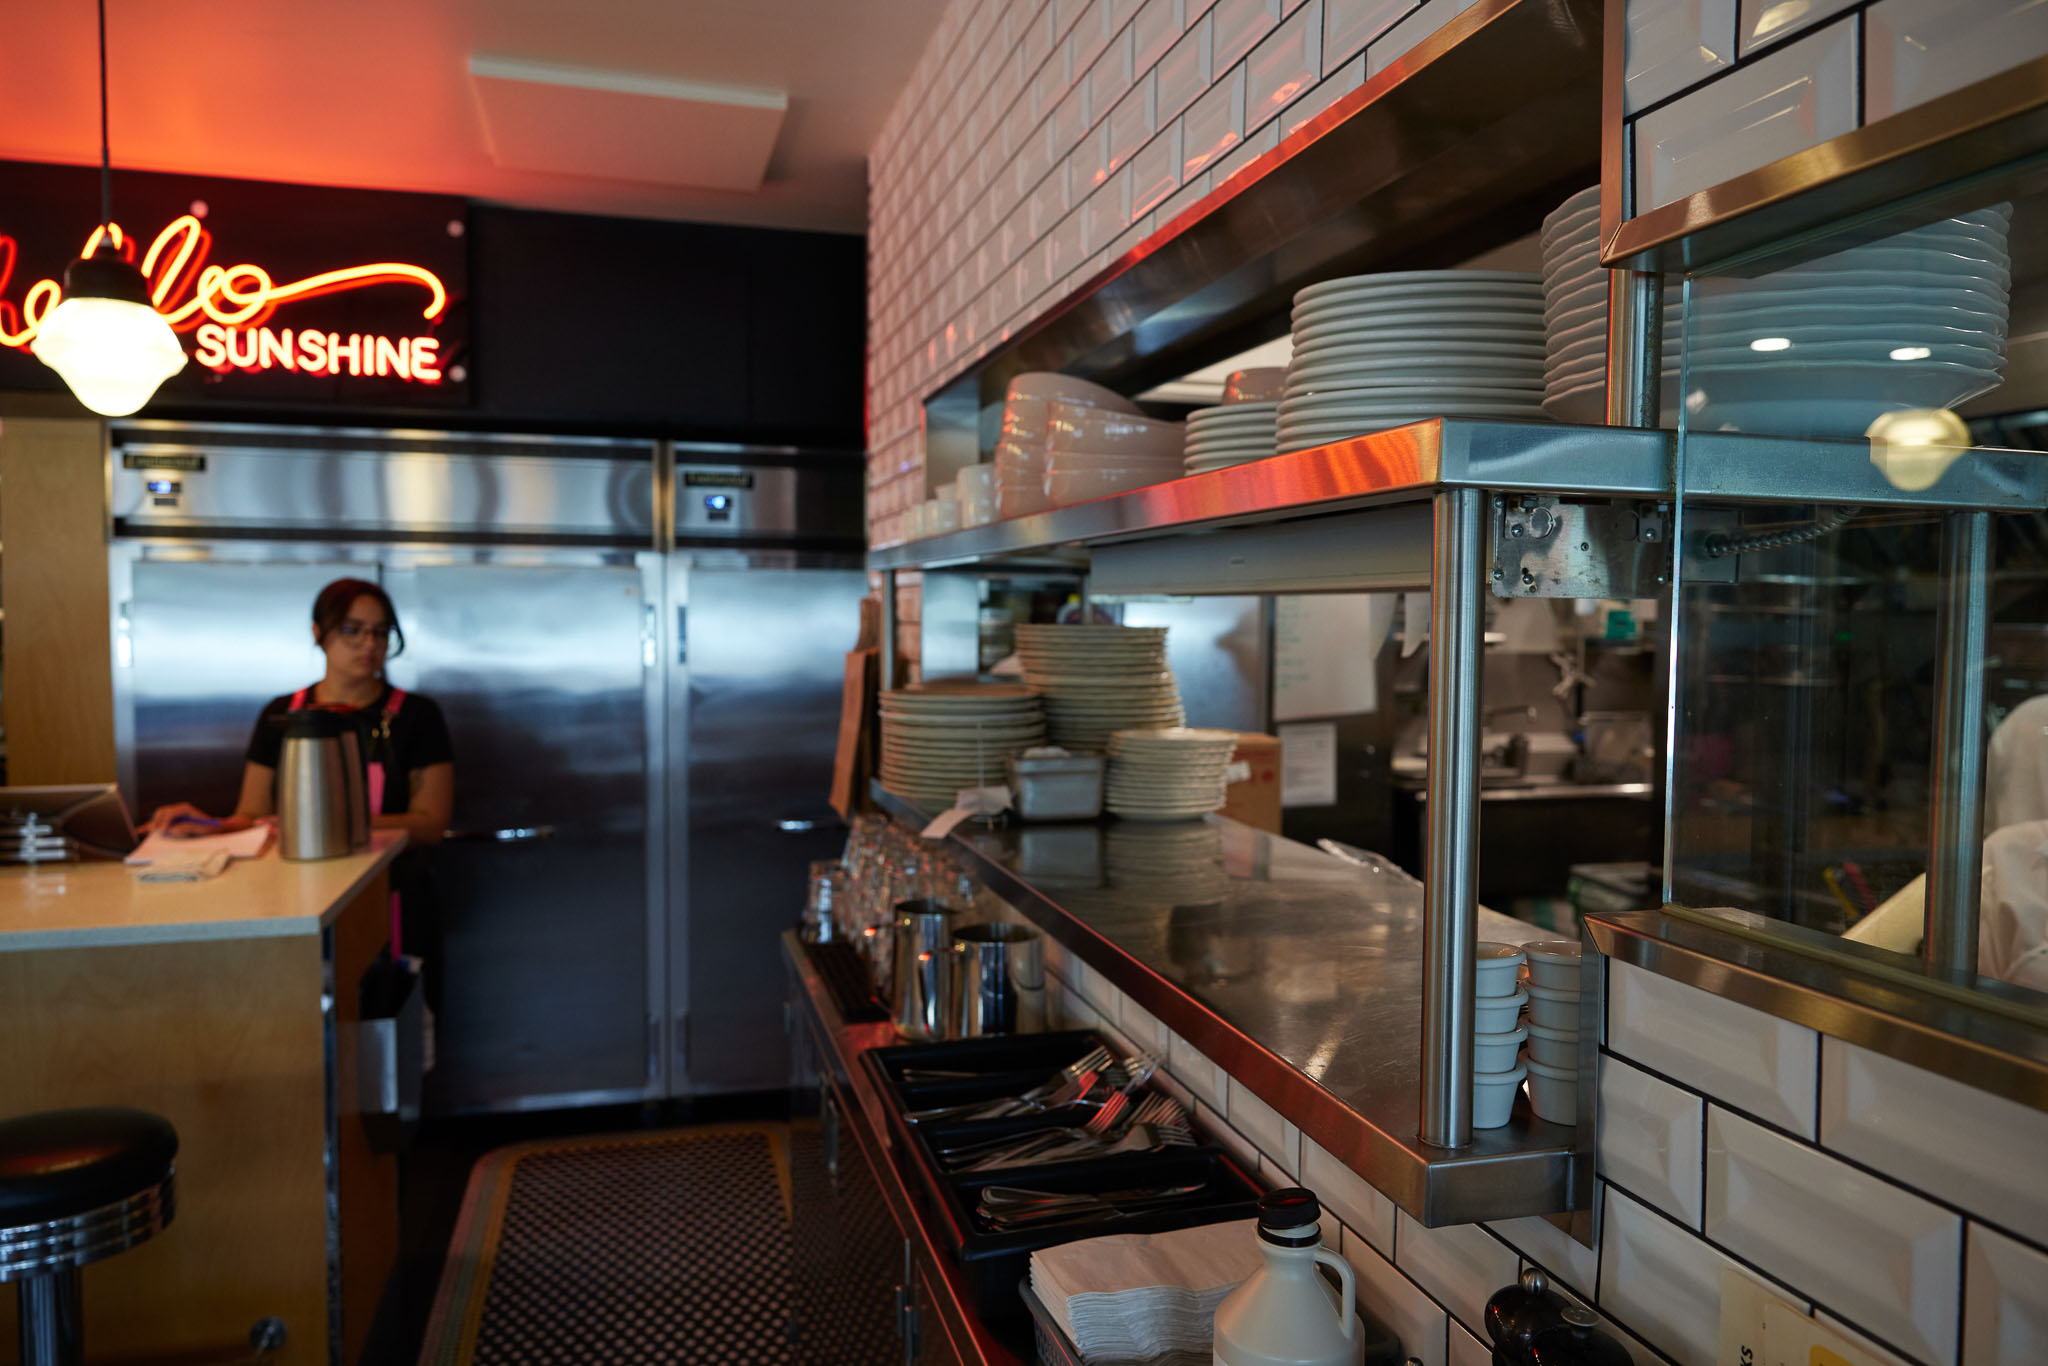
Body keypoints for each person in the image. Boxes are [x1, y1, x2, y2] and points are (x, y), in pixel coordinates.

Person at [143, 578, 455, 998]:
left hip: (395, 898)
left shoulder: (418, 716)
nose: (369, 644)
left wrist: (325, 824)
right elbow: (252, 815)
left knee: (392, 1013)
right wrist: (207, 825)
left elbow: (431, 824)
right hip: (297, 901)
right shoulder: (281, 714)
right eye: (352, 629)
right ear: (318, 632)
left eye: (380, 632)